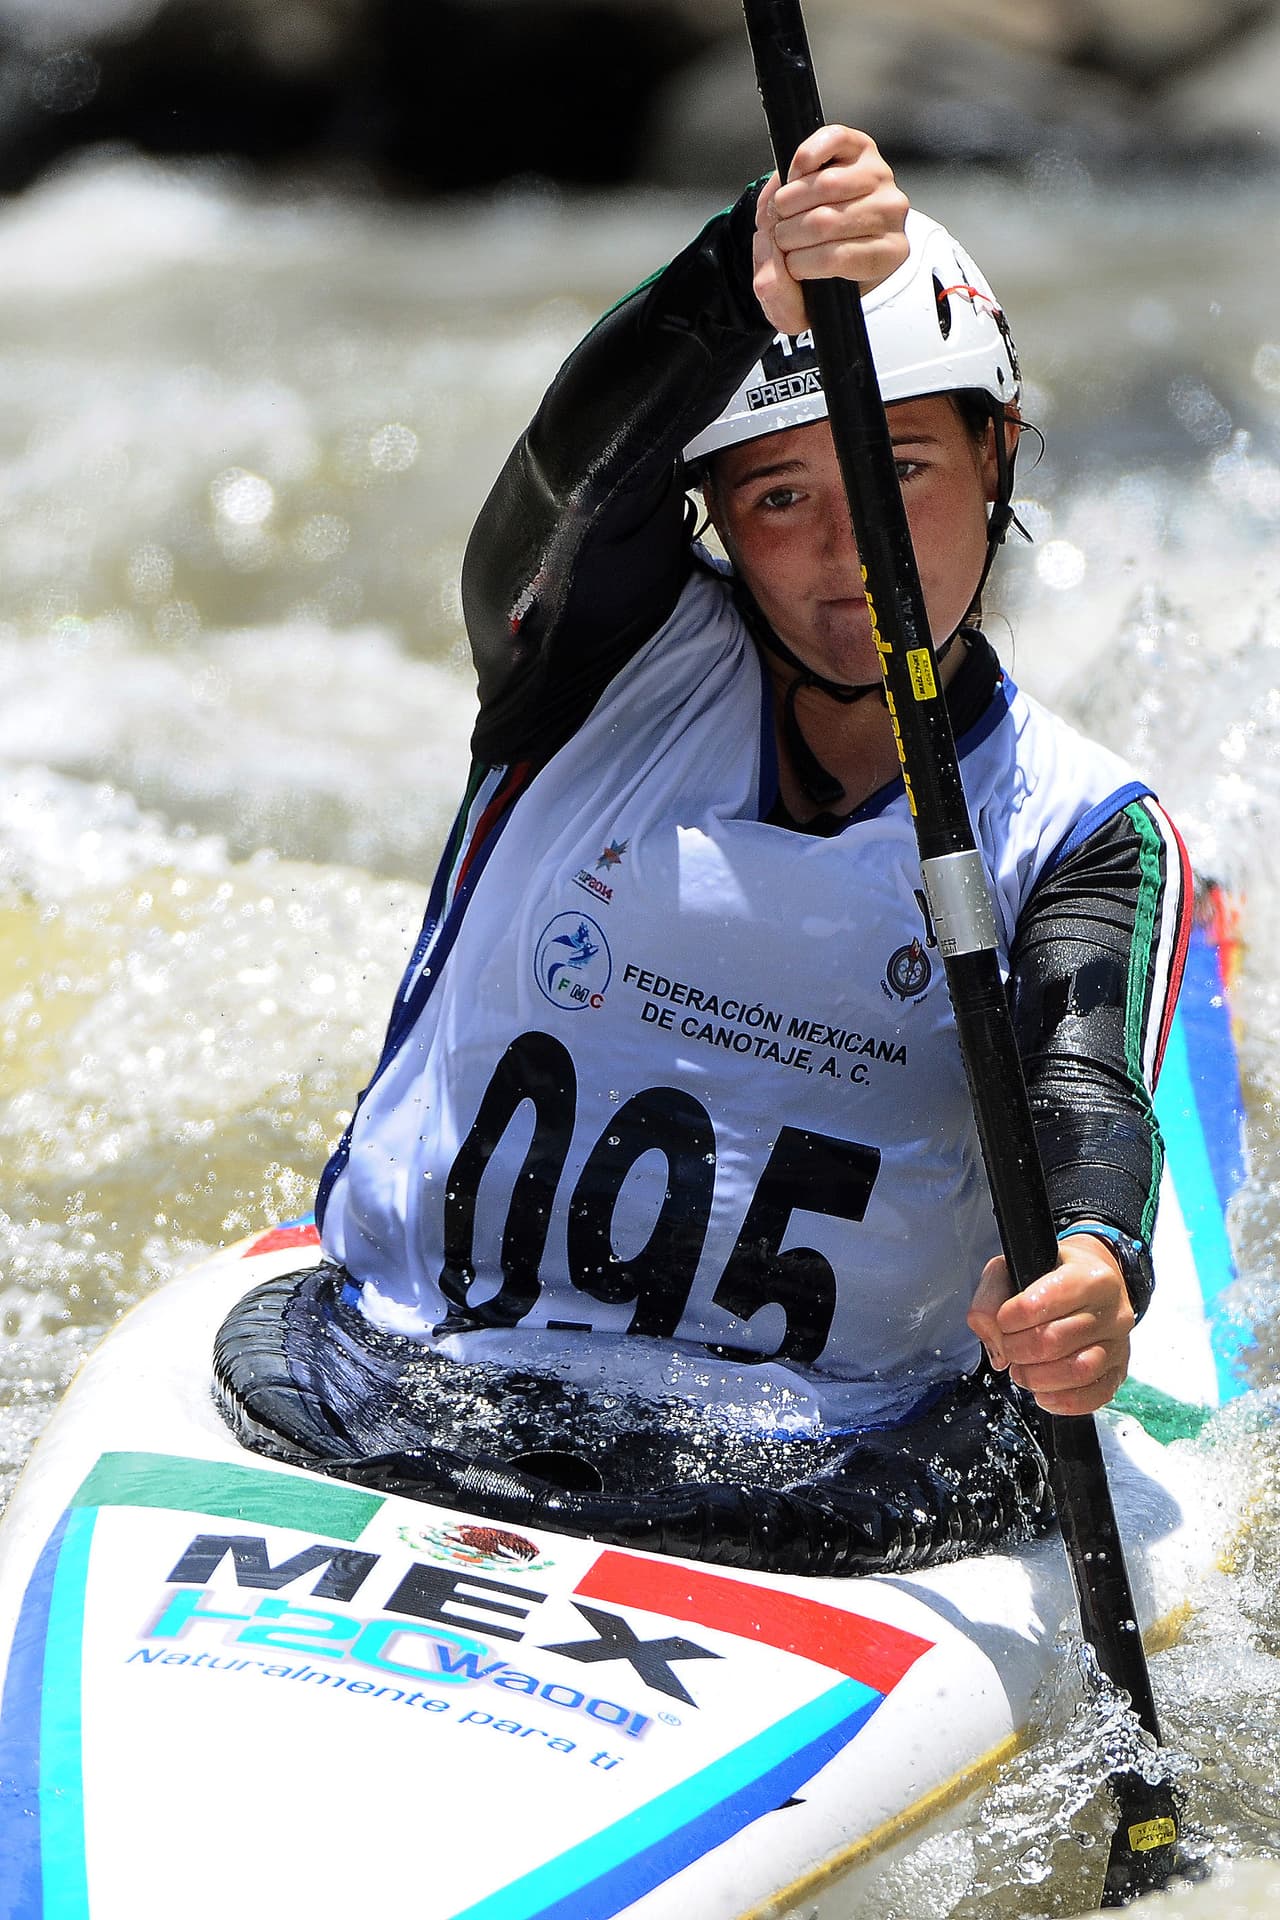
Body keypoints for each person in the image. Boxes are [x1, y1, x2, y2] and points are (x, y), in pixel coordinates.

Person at [215, 129, 1190, 1578]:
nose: (849, 546)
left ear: (998, 455)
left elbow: (1080, 1089)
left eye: (900, 469)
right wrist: (739, 274)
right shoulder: (592, 669)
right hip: (395, 1385)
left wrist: (1096, 1268)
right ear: (716, 516)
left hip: (823, 1467)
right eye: (781, 497)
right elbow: (562, 473)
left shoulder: (1085, 827)